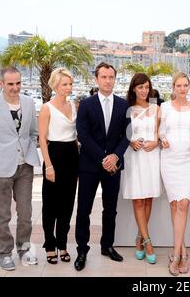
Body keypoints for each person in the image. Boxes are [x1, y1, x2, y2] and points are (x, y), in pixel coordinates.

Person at [0, 66, 40, 271]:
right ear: (1, 84)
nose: (15, 88)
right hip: (1, 168)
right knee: (3, 214)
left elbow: (32, 133)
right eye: (10, 84)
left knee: (25, 212)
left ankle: (23, 249)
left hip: (25, 168)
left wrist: (28, 151)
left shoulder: (30, 103)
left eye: (18, 83)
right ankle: (4, 253)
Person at [74, 62, 130, 271]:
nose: (108, 81)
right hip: (90, 165)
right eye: (104, 77)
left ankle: (107, 246)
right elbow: (83, 135)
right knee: (83, 210)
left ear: (115, 79)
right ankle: (82, 250)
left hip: (113, 166)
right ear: (96, 79)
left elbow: (127, 134)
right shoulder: (86, 104)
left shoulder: (123, 105)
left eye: (111, 77)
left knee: (110, 209)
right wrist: (104, 158)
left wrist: (114, 156)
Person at [159, 72, 190, 276]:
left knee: (183, 204)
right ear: (173, 87)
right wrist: (162, 138)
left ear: (189, 87)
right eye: (179, 85)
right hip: (168, 159)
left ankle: (176, 255)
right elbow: (159, 130)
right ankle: (182, 250)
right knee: (175, 204)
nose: (182, 89)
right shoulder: (164, 107)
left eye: (185, 85)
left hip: (187, 161)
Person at [38, 68, 79, 264]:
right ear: (55, 85)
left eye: (70, 84)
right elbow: (42, 139)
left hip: (72, 157)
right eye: (65, 84)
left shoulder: (73, 106)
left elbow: (76, 136)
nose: (69, 87)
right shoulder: (47, 108)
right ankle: (50, 245)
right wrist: (48, 166)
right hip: (54, 156)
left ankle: (62, 244)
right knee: (51, 205)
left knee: (67, 205)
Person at [121, 73, 161, 264]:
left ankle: (139, 237)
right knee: (138, 200)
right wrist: (130, 142)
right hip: (134, 158)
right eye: (140, 87)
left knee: (148, 198)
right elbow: (120, 134)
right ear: (134, 89)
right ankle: (148, 241)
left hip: (152, 156)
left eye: (146, 87)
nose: (144, 91)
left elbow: (161, 132)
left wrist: (157, 142)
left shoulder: (156, 108)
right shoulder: (126, 109)